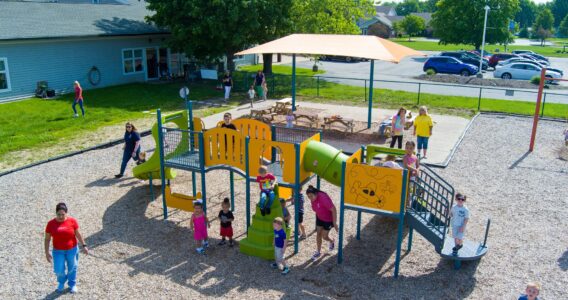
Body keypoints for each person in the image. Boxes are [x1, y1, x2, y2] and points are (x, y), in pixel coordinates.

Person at [44, 203, 88, 294]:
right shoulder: (50, 224)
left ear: (66, 213)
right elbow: (47, 239)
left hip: (72, 250)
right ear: (56, 213)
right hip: (58, 251)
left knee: (72, 267)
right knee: (58, 269)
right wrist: (47, 252)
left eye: (63, 214)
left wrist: (84, 245)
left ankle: (72, 284)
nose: (60, 216)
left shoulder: (72, 221)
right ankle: (61, 282)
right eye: (58, 214)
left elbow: (78, 234)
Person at [306, 185, 338, 261]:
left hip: (328, 219)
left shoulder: (323, 198)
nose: (310, 198)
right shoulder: (313, 197)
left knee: (324, 236)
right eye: (308, 197)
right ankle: (318, 251)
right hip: (319, 217)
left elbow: (333, 209)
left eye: (311, 196)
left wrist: (334, 223)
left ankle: (331, 241)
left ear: (316, 194)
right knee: (318, 233)